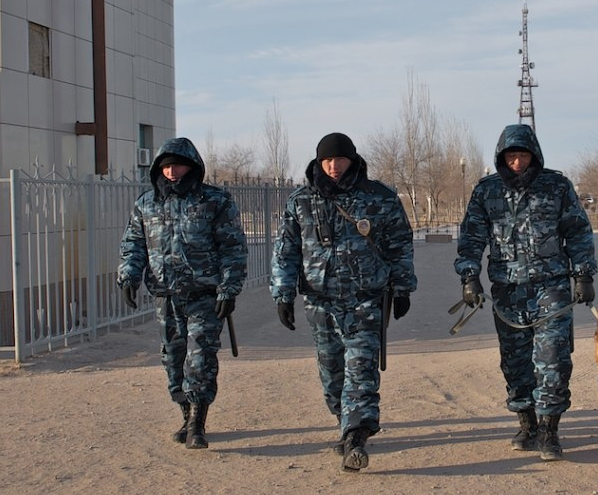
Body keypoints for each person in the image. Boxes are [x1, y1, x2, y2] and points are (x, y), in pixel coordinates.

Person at [270, 132, 416, 473]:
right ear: (318, 162)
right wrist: (283, 293)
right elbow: (286, 251)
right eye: (327, 161)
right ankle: (344, 419)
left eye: (340, 159)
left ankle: (355, 437)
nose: (334, 166)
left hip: (366, 297)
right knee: (332, 372)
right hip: (320, 300)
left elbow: (400, 244)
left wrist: (403, 288)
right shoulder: (301, 201)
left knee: (361, 368)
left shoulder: (379, 198)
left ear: (353, 159)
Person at [455, 124, 596, 461]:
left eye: (522, 155)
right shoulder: (486, 191)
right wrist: (469, 277)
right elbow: (471, 238)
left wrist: (583, 274)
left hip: (552, 286)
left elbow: (578, 232)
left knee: (553, 360)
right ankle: (527, 422)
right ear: (502, 157)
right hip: (507, 290)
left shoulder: (557, 186)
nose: (517, 162)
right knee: (515, 362)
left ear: (534, 153)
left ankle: (550, 429)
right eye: (511, 156)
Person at [117, 137, 248, 450]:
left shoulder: (214, 201)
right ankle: (185, 412)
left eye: (177, 165)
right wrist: (128, 275)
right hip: (165, 295)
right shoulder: (146, 204)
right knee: (173, 358)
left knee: (200, 356)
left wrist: (229, 288)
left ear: (192, 166)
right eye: (166, 166)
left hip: (204, 295)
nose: (172, 172)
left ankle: (198, 422)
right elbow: (134, 243)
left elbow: (233, 247)